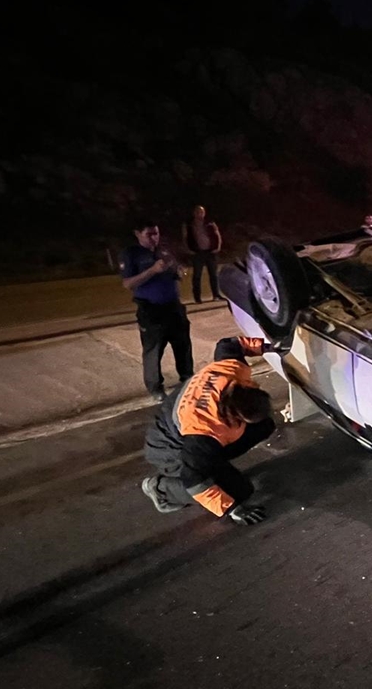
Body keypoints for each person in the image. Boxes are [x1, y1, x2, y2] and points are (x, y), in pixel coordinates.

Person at [140, 335, 282, 525]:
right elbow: (193, 478)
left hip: (185, 431)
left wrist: (266, 347)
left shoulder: (231, 371)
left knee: (265, 426)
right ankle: (162, 489)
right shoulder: (203, 430)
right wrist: (231, 509)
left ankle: (216, 467)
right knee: (239, 492)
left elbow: (230, 344)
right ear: (236, 415)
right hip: (168, 449)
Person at [121, 218, 193, 402]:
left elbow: (176, 271)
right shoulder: (132, 254)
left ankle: (187, 380)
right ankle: (155, 388)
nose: (154, 238)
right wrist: (152, 270)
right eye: (149, 234)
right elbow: (128, 283)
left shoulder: (164, 250)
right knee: (153, 350)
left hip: (173, 306)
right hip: (150, 310)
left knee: (183, 345)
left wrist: (179, 271)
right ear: (138, 234)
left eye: (156, 233)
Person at [182, 204, 223, 302]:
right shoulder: (189, 224)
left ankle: (216, 295)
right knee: (197, 275)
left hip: (210, 251)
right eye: (198, 212)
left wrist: (218, 246)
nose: (200, 214)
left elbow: (217, 234)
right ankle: (197, 297)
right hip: (197, 252)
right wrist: (188, 248)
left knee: (213, 274)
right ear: (194, 213)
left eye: (201, 212)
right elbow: (185, 237)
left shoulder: (210, 223)